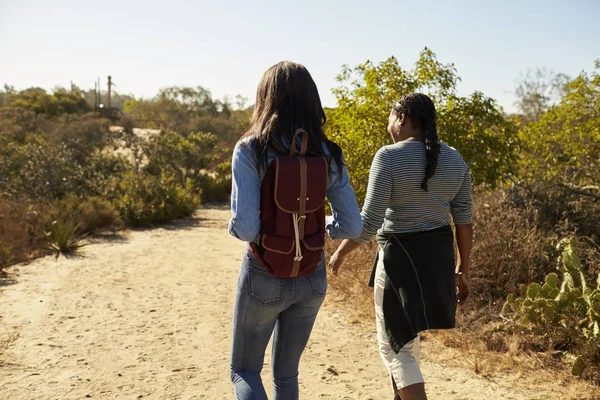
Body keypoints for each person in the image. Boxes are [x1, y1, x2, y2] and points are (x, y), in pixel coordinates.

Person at [228, 61, 363, 400]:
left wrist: (248, 229)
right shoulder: (328, 153)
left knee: (244, 370)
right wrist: (321, 231)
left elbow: (246, 229)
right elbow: (353, 225)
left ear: (265, 98)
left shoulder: (251, 149)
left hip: (264, 272)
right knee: (286, 375)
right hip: (312, 276)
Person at [328, 93, 473, 400]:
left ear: (403, 119)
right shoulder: (456, 159)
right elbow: (464, 221)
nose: (389, 125)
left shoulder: (389, 156)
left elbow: (369, 223)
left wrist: (340, 252)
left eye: (391, 118)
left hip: (399, 261)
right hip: (437, 261)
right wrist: (462, 269)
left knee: (395, 347)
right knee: (408, 344)